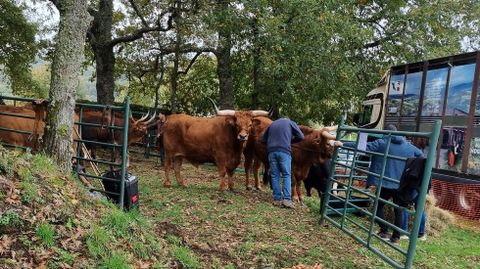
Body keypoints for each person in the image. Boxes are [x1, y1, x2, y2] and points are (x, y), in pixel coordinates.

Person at [345, 124, 423, 243]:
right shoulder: (409, 146)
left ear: (385, 132)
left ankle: (384, 231)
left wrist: (343, 144)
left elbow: (363, 147)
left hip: (386, 183)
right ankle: (396, 237)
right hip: (401, 184)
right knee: (399, 210)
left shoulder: (382, 143)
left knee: (378, 206)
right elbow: (421, 156)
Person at [261, 117, 304, 209]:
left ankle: (277, 199)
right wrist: (290, 141)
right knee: (286, 175)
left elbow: (263, 140)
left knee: (275, 175)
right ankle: (287, 200)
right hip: (284, 151)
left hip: (271, 152)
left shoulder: (272, 124)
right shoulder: (290, 122)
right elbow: (301, 136)